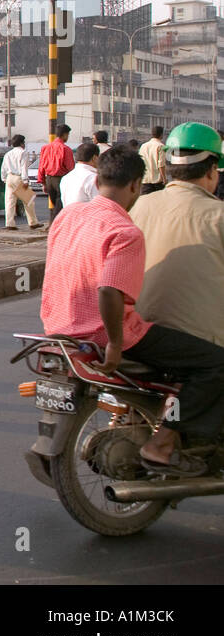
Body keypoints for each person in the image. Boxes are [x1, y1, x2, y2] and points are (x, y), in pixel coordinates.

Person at [40, 146, 224, 477]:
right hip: (109, 334)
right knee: (214, 365)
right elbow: (109, 290)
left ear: (97, 181)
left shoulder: (67, 216)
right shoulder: (124, 231)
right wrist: (114, 341)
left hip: (59, 328)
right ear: (137, 185)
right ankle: (162, 444)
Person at [129, 123, 224, 349]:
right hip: (203, 345)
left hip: (136, 336)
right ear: (211, 171)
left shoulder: (135, 207)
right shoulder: (218, 215)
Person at [0, 134, 41, 230]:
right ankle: (33, 222)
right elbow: (24, 167)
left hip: (9, 178)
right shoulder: (23, 153)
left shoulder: (8, 154)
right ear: (22, 143)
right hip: (19, 178)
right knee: (28, 201)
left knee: (10, 202)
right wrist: (25, 180)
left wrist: (4, 179)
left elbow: (3, 168)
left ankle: (9, 224)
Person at [38, 124, 75, 220]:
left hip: (49, 179)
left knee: (55, 206)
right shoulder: (65, 149)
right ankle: (56, 227)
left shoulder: (45, 148)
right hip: (61, 180)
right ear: (65, 134)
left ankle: (53, 226)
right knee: (61, 207)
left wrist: (43, 183)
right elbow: (71, 168)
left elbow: (41, 166)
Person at [59, 142, 101, 206]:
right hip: (87, 215)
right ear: (94, 158)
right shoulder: (93, 178)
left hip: (69, 214)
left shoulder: (66, 178)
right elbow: (100, 205)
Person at [139, 126, 167, 195]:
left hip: (145, 181)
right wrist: (164, 179)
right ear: (161, 134)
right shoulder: (161, 146)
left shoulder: (143, 146)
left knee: (146, 203)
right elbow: (161, 165)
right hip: (157, 182)